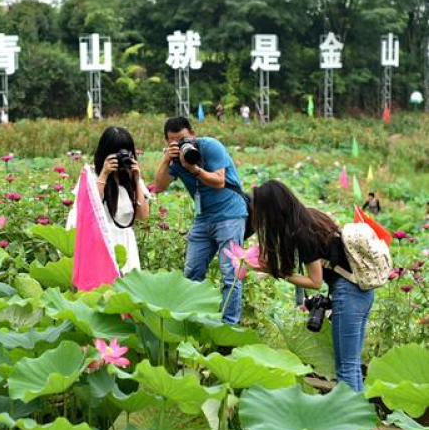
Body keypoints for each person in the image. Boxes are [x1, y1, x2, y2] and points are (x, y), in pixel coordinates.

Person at [252, 179, 374, 392]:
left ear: (272, 209)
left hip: (349, 293)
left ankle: (351, 422)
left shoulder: (302, 233)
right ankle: (358, 420)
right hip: (361, 291)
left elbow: (314, 282)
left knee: (345, 368)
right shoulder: (311, 216)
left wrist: (279, 273)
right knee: (351, 366)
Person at [154, 117, 248, 324]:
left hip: (229, 215)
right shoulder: (175, 160)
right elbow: (158, 187)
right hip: (203, 218)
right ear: (167, 143)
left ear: (193, 135)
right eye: (174, 142)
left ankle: (228, 326)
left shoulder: (210, 146)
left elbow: (219, 180)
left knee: (230, 275)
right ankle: (191, 322)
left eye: (184, 140)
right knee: (191, 273)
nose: (181, 145)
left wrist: (194, 169)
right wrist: (165, 160)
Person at [69, 127, 150, 274]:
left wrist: (136, 180)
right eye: (117, 153)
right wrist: (104, 175)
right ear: (105, 153)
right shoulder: (91, 176)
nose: (122, 157)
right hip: (100, 243)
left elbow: (143, 216)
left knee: (127, 293)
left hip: (126, 245)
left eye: (126, 151)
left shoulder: (131, 179)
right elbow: (87, 209)